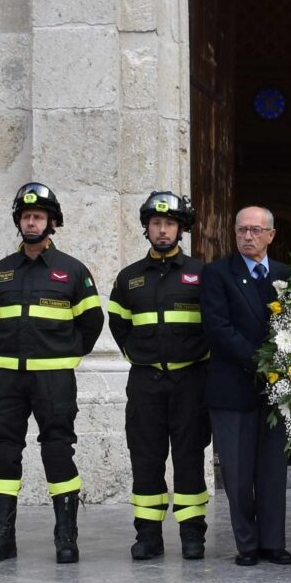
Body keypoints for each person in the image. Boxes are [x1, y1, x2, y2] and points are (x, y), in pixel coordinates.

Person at [0, 184, 104, 564]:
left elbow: (92, 322)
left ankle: (66, 535)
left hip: (54, 379)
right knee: (3, 449)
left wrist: (65, 356)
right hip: (7, 378)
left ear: (51, 222)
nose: (32, 222)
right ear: (19, 221)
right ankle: (1, 536)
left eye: (39, 217)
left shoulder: (73, 271)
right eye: (26, 216)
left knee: (58, 449)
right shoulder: (0, 273)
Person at [108, 192, 212, 562]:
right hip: (146, 381)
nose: (162, 230)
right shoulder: (130, 277)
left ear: (181, 228)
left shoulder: (201, 274)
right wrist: (137, 355)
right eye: (156, 223)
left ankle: (192, 534)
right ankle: (148, 535)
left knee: (189, 456)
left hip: (190, 381)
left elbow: (213, 323)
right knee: (146, 457)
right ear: (146, 228)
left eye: (169, 224)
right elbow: (117, 322)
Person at [203, 205, 291, 566]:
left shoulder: (289, 275)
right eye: (242, 230)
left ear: (271, 235)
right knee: (238, 474)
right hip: (234, 386)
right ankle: (248, 544)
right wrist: (262, 362)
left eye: (256, 230)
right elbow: (218, 328)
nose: (248, 236)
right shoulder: (217, 273)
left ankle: (273, 542)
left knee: (272, 471)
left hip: (276, 392)